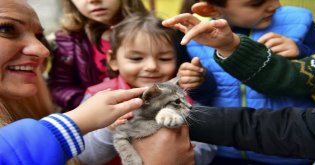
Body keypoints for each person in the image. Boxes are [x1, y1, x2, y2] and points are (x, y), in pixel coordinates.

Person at [0, 1, 194, 164]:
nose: (43, 50)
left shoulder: (178, 94)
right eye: (6, 29)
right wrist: (95, 118)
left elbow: (201, 140)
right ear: (113, 60)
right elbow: (84, 154)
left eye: (164, 58)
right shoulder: (97, 93)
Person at [164, 0, 315, 164]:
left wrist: (302, 53)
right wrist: (200, 82)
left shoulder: (299, 22)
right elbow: (199, 97)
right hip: (223, 149)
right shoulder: (193, 36)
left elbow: (313, 74)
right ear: (209, 9)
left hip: (292, 150)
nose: (274, 5)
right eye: (256, 3)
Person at [77, 13, 216, 165]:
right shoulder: (99, 97)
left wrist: (186, 159)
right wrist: (109, 128)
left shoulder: (183, 95)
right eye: (136, 58)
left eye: (164, 59)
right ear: (113, 60)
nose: (151, 67)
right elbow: (85, 157)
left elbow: (209, 143)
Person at [48, 0, 149, 111]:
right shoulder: (68, 40)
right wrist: (91, 105)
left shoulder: (157, 32)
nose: (94, 0)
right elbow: (60, 87)